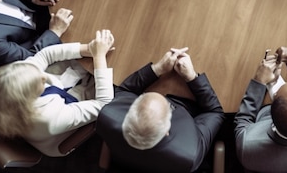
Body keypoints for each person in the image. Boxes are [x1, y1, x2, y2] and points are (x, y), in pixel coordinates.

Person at [0, 30, 115, 157]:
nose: (44, 77)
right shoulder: (49, 119)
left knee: (76, 62)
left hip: (51, 102)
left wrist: (88, 49)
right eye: (41, 81)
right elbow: (104, 103)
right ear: (30, 96)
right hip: (59, 125)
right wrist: (99, 56)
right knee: (116, 85)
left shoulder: (12, 80)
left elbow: (45, 55)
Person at [96, 47, 225, 172]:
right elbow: (214, 112)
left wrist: (157, 69)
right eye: (170, 107)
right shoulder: (190, 152)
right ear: (167, 131)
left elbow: (124, 91)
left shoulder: (107, 116)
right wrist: (192, 77)